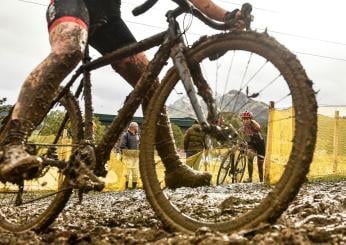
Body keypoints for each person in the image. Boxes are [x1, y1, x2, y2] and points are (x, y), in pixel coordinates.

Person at [0, 0, 245, 188]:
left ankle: (173, 168)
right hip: (74, 4)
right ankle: (12, 144)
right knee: (70, 49)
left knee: (149, 82)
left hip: (108, 20)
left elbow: (199, 2)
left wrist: (227, 17)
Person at [238, 110, 266, 182]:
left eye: (247, 118)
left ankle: (261, 181)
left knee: (260, 164)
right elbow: (241, 137)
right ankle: (250, 178)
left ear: (250, 119)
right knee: (250, 157)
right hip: (252, 144)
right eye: (244, 119)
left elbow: (258, 127)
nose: (245, 120)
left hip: (260, 144)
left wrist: (253, 123)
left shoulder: (254, 124)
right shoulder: (243, 128)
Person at [119, 122, 140, 189]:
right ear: (133, 127)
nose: (137, 128)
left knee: (135, 173)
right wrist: (130, 153)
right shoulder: (126, 135)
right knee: (126, 173)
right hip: (127, 157)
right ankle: (125, 188)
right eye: (137, 127)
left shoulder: (137, 135)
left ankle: (134, 188)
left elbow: (139, 146)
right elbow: (122, 146)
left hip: (135, 158)